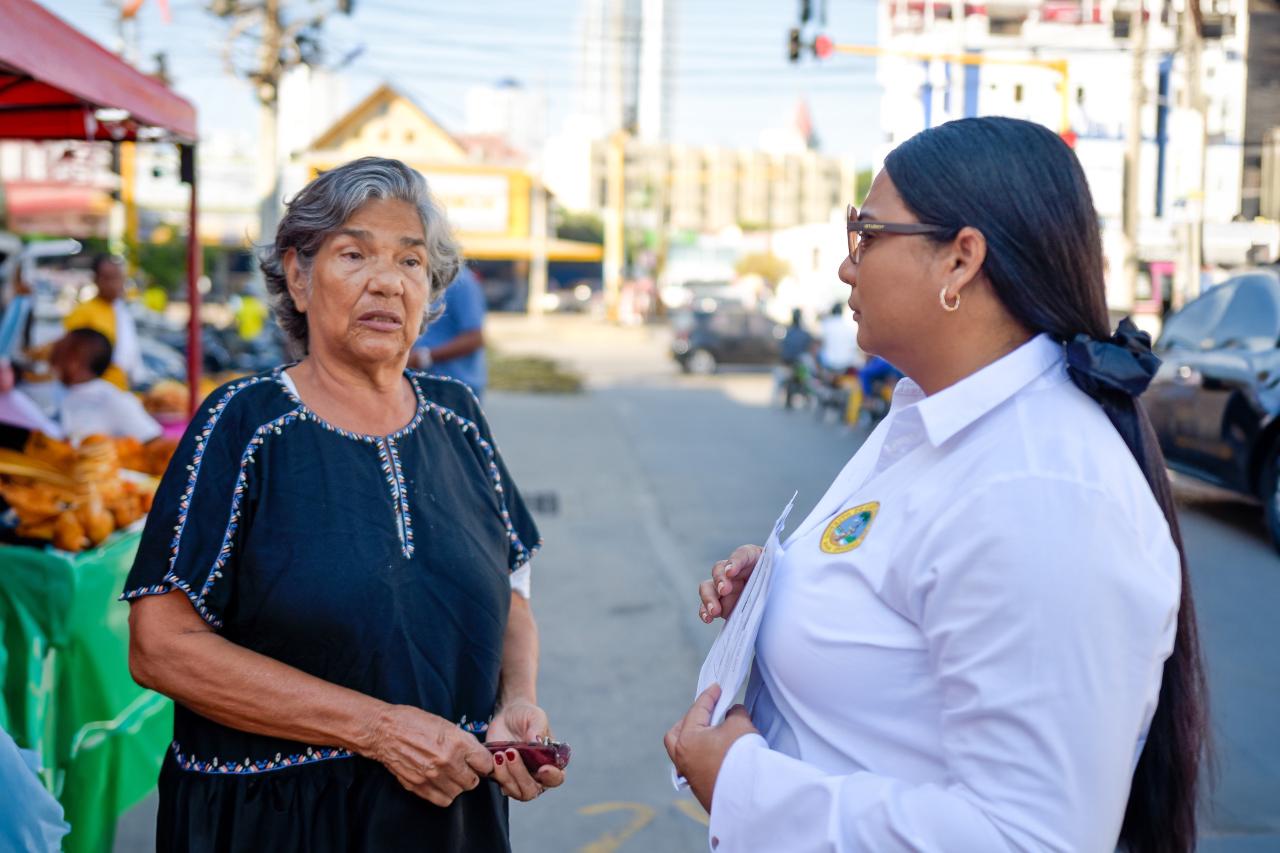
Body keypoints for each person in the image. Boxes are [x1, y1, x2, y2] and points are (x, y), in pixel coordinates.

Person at [667, 118, 1206, 853]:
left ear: (960, 260)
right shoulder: (929, 416)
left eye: (866, 232)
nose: (846, 267)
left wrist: (742, 783)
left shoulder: (1042, 491)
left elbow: (1027, 839)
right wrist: (789, 590)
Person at [122, 157, 562, 853]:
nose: (387, 281)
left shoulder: (458, 416)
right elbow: (160, 647)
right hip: (275, 822)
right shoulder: (245, 422)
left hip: (447, 817)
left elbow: (510, 592)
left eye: (411, 261)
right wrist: (378, 727)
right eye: (354, 253)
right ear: (298, 276)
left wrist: (517, 703)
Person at [50, 329, 161, 446]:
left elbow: (155, 442)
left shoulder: (114, 400)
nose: (52, 354)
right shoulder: (58, 388)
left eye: (60, 351)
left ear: (76, 360)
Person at [64, 255, 143, 389]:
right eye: (109, 278)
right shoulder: (83, 312)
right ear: (96, 280)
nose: (115, 284)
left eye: (119, 278)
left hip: (118, 389)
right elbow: (69, 360)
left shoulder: (120, 311)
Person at [411, 265, 487, 399]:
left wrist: (423, 357)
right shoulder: (421, 276)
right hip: (425, 384)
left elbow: (475, 338)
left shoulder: (461, 281)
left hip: (455, 387)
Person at [817, 302, 861, 375]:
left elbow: (819, 343)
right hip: (846, 363)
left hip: (829, 364)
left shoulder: (826, 325)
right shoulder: (848, 327)